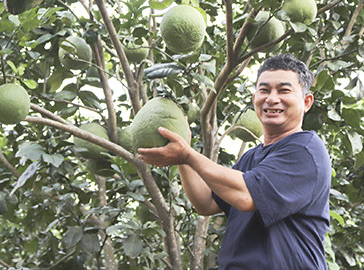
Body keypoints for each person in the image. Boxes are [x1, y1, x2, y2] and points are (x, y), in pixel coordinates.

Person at [137, 53, 331, 269]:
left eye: (284, 90)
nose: (272, 98)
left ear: (306, 102)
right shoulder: (252, 157)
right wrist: (183, 156)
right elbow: (206, 202)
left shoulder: (305, 150)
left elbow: (247, 196)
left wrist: (187, 155)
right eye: (264, 90)